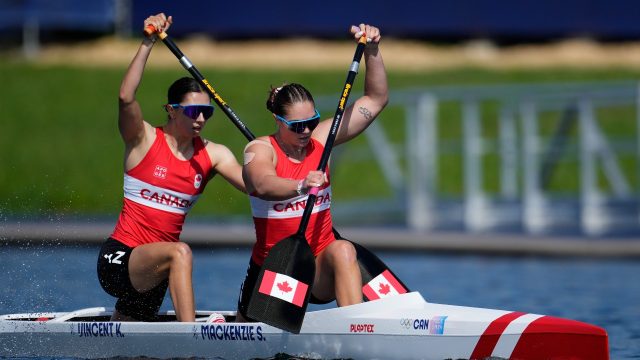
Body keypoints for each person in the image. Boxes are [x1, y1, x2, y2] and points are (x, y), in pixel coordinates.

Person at [96, 13, 244, 322]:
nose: (200, 119)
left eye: (206, 112)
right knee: (181, 252)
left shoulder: (213, 155)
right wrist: (148, 42)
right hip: (119, 258)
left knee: (131, 350)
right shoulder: (143, 140)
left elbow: (257, 186)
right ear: (172, 111)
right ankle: (192, 342)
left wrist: (288, 173)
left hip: (157, 271)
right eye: (193, 111)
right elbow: (126, 97)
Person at [236, 24, 388, 321]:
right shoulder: (260, 149)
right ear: (278, 121)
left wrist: (372, 50)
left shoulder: (322, 140)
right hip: (276, 271)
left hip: (319, 269)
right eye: (296, 126)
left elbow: (376, 100)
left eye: (312, 121)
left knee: (344, 249)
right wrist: (301, 185)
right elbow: (263, 184)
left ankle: (356, 331)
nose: (306, 131)